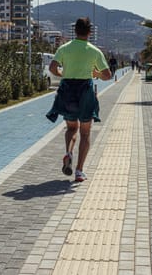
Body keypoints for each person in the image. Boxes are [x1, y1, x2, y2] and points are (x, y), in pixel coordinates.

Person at [46, 17, 112, 182]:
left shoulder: (64, 48)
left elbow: (52, 68)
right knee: (85, 132)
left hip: (68, 89)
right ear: (90, 32)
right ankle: (79, 171)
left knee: (71, 128)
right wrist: (96, 74)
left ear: (75, 31)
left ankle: (68, 152)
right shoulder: (94, 51)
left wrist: (63, 75)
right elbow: (107, 75)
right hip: (85, 91)